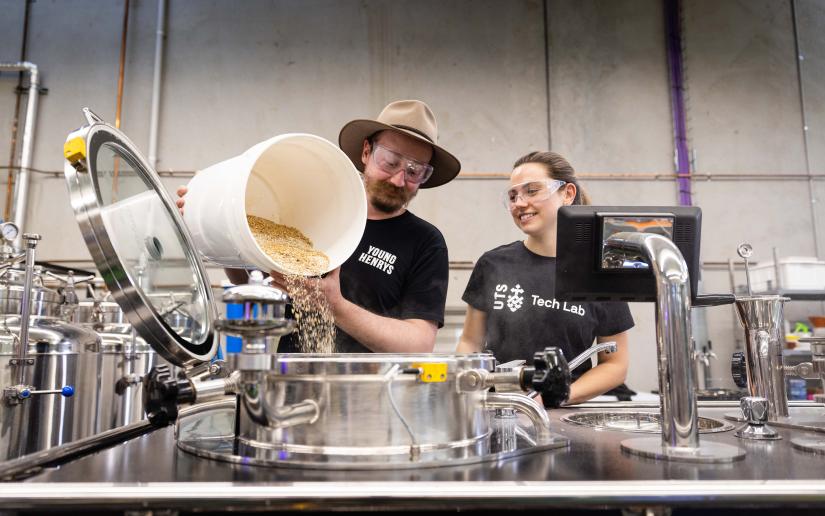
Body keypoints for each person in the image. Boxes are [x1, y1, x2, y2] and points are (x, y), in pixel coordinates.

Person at [177, 100, 460, 353]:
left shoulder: (425, 242)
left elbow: (419, 344)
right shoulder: (311, 214)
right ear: (366, 152)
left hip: (373, 397)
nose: (399, 179)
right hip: (293, 384)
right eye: (390, 162)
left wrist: (335, 306)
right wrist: (222, 223)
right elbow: (251, 283)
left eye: (414, 171)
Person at [456, 151, 633, 405]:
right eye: (513, 195)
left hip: (563, 417)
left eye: (532, 191)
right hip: (498, 411)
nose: (519, 202)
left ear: (568, 194)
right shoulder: (493, 264)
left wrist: (559, 396)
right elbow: (470, 342)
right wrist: (468, 392)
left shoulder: (598, 271)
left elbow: (615, 364)